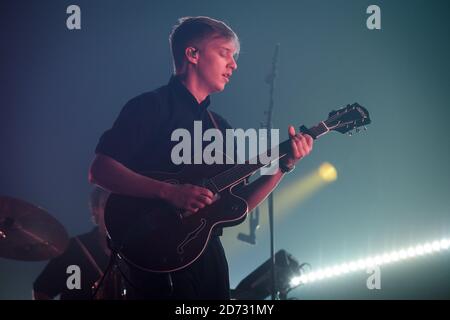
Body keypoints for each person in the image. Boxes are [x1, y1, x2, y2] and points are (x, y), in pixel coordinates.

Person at [88, 16, 313, 300]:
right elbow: (100, 170)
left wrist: (283, 166)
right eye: (224, 53)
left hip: (207, 256)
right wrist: (169, 192)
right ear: (192, 54)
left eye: (234, 57)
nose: (234, 65)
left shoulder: (220, 127)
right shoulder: (150, 107)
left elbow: (237, 205)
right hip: (154, 257)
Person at [32, 187, 112, 300]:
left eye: (116, 206)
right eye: (106, 205)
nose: (112, 211)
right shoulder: (74, 248)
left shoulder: (132, 252)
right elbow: (41, 290)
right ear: (95, 209)